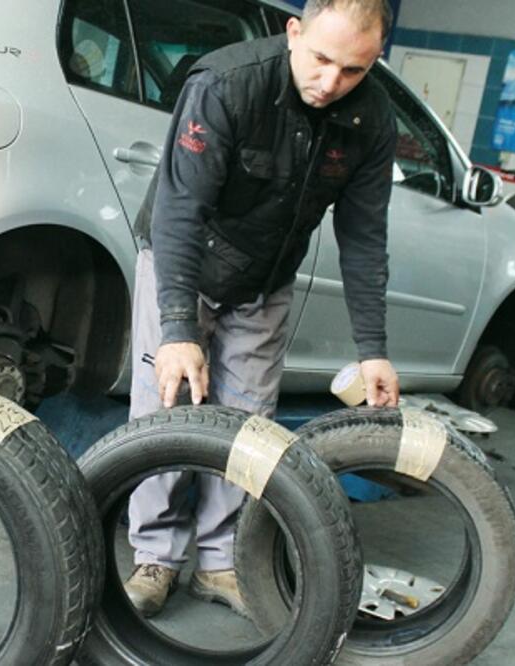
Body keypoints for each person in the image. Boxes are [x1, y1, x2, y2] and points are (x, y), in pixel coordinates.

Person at [123, 0, 401, 618]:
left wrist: (372, 348)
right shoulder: (226, 85)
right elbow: (179, 212)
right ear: (293, 32)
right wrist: (176, 327)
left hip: (266, 280)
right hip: (184, 264)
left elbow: (364, 237)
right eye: (322, 59)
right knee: (166, 409)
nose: (331, 83)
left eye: (353, 70)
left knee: (249, 422)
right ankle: (156, 558)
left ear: (375, 60)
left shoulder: (373, 119)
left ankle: (222, 563)